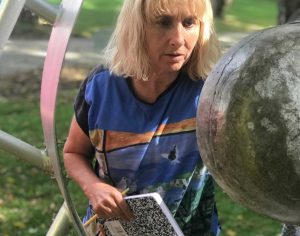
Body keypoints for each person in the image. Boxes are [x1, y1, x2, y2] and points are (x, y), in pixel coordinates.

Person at [63, 0, 221, 235]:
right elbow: (73, 152)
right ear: (135, 28)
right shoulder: (100, 88)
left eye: (189, 22)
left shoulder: (211, 90)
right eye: (163, 22)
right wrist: (93, 186)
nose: (178, 39)